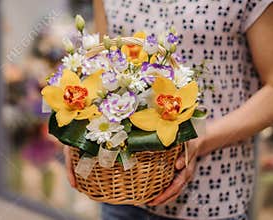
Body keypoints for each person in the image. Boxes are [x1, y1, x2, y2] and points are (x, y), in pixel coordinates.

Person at [63, 0, 273, 219]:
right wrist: (78, 129)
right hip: (122, 192)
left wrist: (200, 138)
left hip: (209, 197)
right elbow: (101, 68)